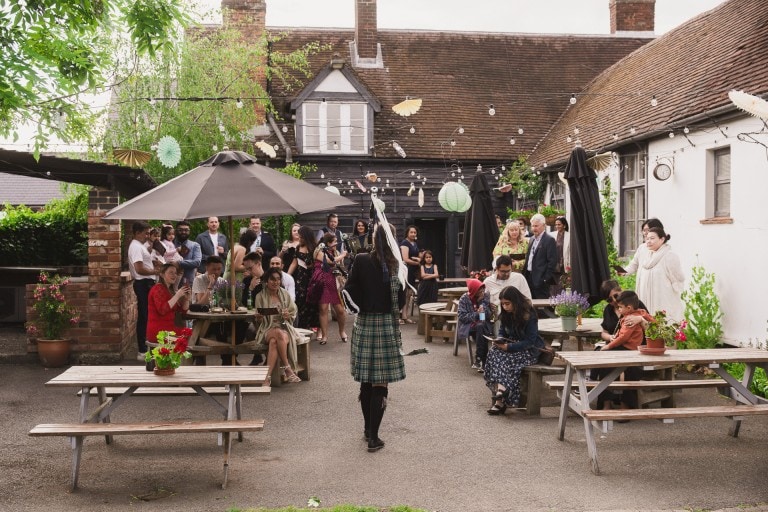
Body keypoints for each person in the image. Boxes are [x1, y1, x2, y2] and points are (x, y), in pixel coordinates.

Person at [344, 221, 406, 453]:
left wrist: (360, 307)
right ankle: (374, 436)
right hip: (386, 326)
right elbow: (399, 302)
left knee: (366, 379)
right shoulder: (396, 266)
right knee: (381, 381)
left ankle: (368, 430)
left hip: (365, 323)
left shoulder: (360, 260)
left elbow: (349, 290)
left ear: (373, 238)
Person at [484, 286, 545, 415]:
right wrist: (499, 340)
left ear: (515, 301)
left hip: (528, 350)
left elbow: (530, 341)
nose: (505, 307)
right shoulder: (506, 314)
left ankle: (500, 400)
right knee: (494, 353)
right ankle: (501, 393)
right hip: (511, 346)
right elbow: (502, 332)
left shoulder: (529, 314)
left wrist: (509, 347)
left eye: (507, 304)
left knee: (506, 360)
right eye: (503, 304)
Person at [593, 290, 653, 410]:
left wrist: (641, 319)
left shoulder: (635, 310)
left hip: (634, 348)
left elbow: (654, 325)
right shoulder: (609, 310)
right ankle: (606, 402)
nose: (614, 301)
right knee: (604, 361)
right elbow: (605, 333)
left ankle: (626, 404)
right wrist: (610, 338)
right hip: (621, 345)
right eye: (610, 299)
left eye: (616, 296)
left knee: (631, 368)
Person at [252, 267, 303, 385]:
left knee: (274, 342)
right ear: (266, 281)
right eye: (272, 279)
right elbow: (260, 322)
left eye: (278, 279)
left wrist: (287, 315)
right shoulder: (260, 296)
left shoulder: (284, 294)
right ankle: (288, 368)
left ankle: (267, 378)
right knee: (277, 333)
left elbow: (293, 312)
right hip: (267, 329)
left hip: (284, 328)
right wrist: (259, 317)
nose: (275, 282)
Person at [627, 226, 685, 322]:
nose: (648, 241)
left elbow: (678, 278)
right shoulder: (647, 255)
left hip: (662, 298)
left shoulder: (669, 256)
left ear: (662, 239)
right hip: (645, 297)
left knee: (662, 323)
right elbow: (634, 265)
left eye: (652, 238)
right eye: (647, 238)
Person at [128, 221, 159, 359]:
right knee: (144, 316)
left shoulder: (139, 246)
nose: (148, 235)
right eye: (146, 233)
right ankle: (142, 350)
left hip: (146, 283)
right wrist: (156, 271)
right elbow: (139, 268)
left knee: (147, 316)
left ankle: (144, 348)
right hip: (143, 283)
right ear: (137, 233)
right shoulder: (135, 247)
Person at [312, 232, 347, 344]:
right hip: (322, 281)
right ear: (328, 243)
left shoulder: (335, 252)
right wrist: (343, 255)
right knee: (323, 309)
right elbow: (330, 261)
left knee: (340, 310)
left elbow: (340, 267)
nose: (336, 243)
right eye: (334, 241)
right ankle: (325, 336)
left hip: (334, 282)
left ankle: (342, 331)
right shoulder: (319, 251)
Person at [146, 263, 191, 346]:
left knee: (193, 335)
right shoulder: (158, 288)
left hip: (169, 330)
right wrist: (178, 295)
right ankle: (186, 359)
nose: (174, 275)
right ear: (162, 274)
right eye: (171, 272)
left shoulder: (169, 290)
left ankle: (190, 359)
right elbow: (162, 310)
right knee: (191, 338)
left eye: (175, 273)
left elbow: (183, 311)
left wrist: (186, 299)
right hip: (160, 333)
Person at [457, 278, 496, 372]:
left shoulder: (485, 296)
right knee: (480, 329)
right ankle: (483, 360)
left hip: (484, 324)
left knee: (481, 327)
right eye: (480, 289)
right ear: (474, 291)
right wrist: (476, 313)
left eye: (483, 288)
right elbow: (462, 317)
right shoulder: (464, 298)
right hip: (469, 326)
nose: (483, 291)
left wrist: (481, 304)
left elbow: (485, 317)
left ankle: (479, 359)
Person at [288, 226, 319, 331]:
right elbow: (294, 263)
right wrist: (287, 276)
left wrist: (312, 265)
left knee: (313, 301)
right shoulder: (298, 248)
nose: (300, 239)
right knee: (300, 300)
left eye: (302, 237)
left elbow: (319, 263)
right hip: (301, 278)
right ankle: (302, 326)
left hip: (312, 277)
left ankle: (314, 325)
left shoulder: (315, 247)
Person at [523, 213, 558, 300]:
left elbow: (552, 261)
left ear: (543, 225)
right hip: (529, 277)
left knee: (542, 308)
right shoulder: (531, 239)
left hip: (541, 280)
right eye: (532, 226)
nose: (534, 228)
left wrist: (545, 279)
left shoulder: (549, 240)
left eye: (536, 226)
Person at [399, 225, 420, 324]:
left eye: (414, 232)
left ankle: (405, 315)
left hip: (413, 270)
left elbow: (417, 256)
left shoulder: (414, 243)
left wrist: (419, 260)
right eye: (411, 232)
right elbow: (405, 259)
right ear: (407, 233)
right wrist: (419, 262)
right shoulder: (405, 243)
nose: (413, 234)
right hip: (406, 270)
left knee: (409, 294)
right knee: (404, 293)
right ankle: (402, 315)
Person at [174, 221, 201, 287]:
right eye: (180, 230)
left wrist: (179, 263)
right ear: (175, 231)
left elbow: (197, 262)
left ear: (189, 231)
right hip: (170, 283)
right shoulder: (170, 244)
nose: (183, 232)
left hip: (188, 283)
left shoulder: (195, 245)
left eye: (186, 230)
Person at [551, 216, 571, 295]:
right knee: (554, 287)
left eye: (559, 224)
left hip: (564, 265)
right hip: (554, 266)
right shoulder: (552, 235)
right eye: (556, 225)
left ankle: (563, 304)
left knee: (564, 286)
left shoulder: (569, 236)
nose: (557, 226)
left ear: (564, 225)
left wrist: (570, 267)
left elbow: (570, 252)